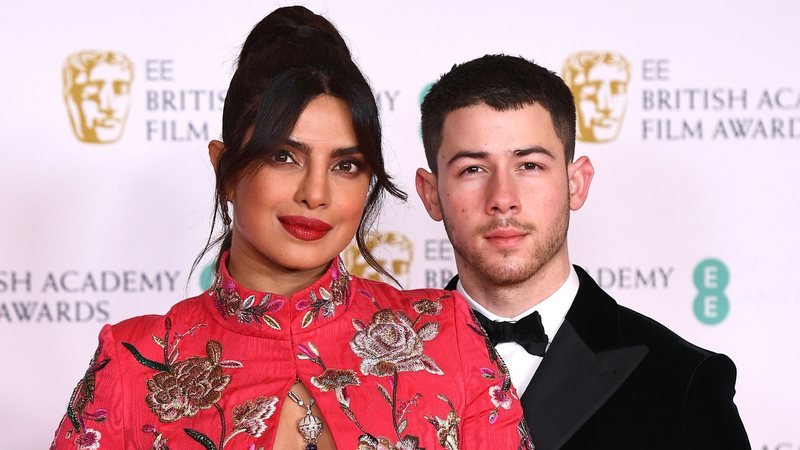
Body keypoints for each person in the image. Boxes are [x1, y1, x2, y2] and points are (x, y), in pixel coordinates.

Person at [50, 9, 530, 450]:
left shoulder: (446, 336)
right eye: (284, 157)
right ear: (227, 169)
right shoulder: (134, 365)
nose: (315, 193)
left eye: (346, 165)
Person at [416, 54, 749, 449]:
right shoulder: (370, 366)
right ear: (431, 194)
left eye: (530, 166)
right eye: (473, 169)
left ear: (577, 183)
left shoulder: (683, 380)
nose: (503, 199)